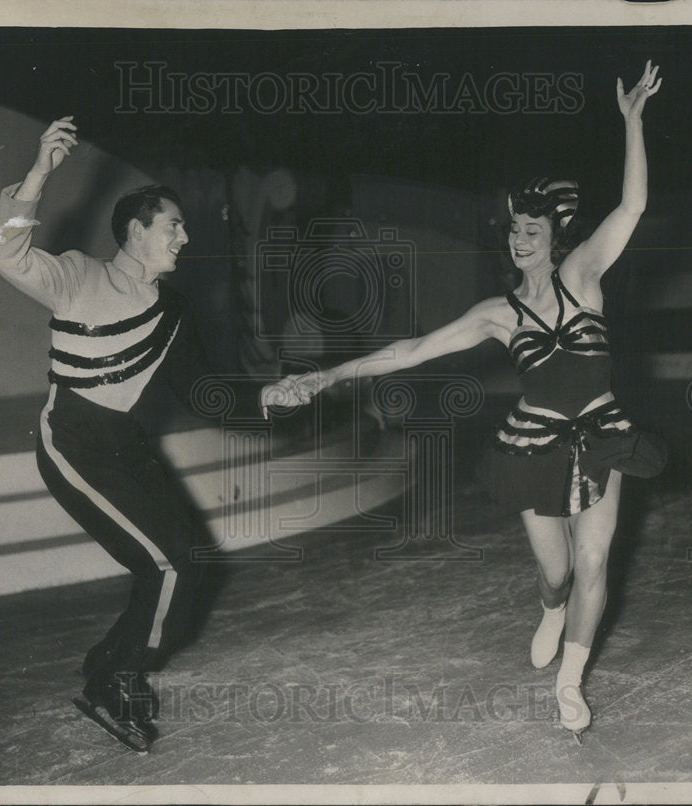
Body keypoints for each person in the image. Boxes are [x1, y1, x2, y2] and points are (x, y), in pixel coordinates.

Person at [282, 62, 666, 741]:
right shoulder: (497, 312)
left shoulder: (585, 275)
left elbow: (631, 207)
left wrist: (632, 122)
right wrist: (327, 377)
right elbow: (410, 351)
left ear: (556, 237)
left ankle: (570, 683)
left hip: (602, 434)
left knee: (594, 561)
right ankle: (550, 607)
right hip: (534, 447)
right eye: (514, 228)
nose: (519, 238)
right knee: (557, 573)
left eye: (531, 229)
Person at [0, 117, 300, 752]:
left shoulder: (171, 310)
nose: (185, 236)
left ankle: (111, 658)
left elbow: (204, 395)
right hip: (72, 442)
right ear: (135, 231)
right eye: (173, 226)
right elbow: (2, 252)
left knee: (186, 560)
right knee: (168, 563)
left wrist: (267, 398)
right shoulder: (78, 275)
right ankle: (117, 678)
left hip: (125, 445)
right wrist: (40, 172)